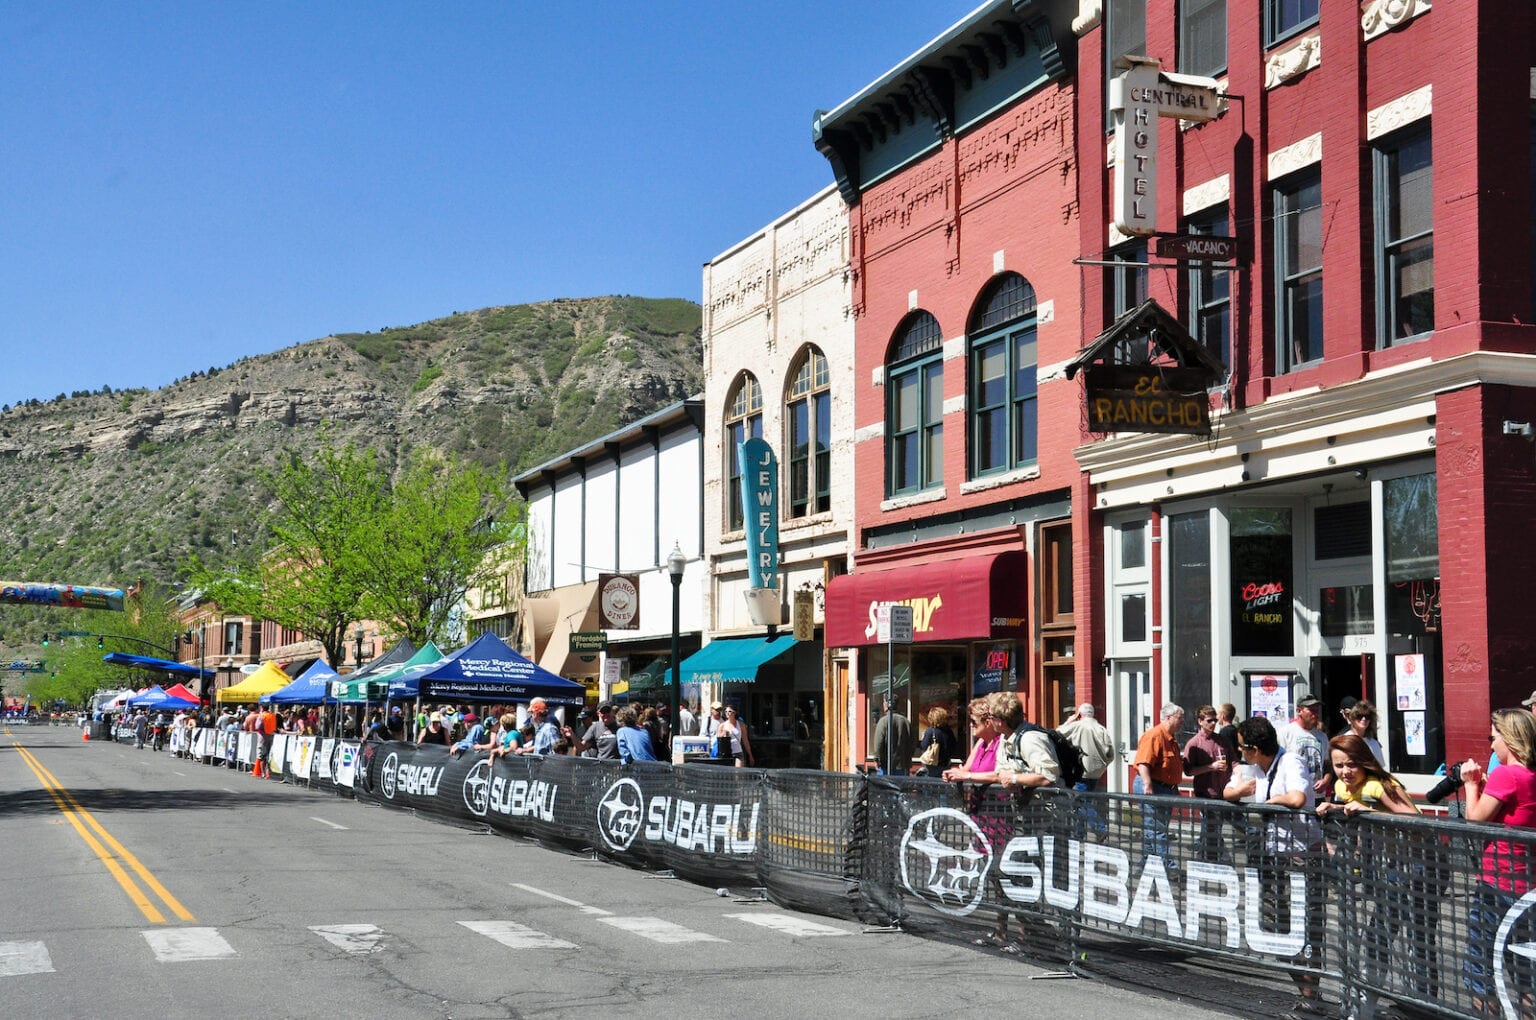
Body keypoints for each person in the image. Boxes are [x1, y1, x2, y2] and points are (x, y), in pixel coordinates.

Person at [1224, 716, 1325, 1016]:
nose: (1239, 751)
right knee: (1272, 929)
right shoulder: (1255, 768)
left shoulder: (1291, 762)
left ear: (1255, 748)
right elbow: (1228, 792)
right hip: (1273, 857)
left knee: (1306, 929)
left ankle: (1312, 1000)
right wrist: (1243, 792)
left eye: (1242, 747)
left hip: (1302, 855)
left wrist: (1265, 804)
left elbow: (1297, 798)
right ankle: (1310, 993)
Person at [1457, 708, 1536, 1014]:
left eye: (1494, 738)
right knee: (1523, 968)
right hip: (1526, 885)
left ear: (1510, 738)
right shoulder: (1528, 775)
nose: (1491, 746)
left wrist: (1471, 785)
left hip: (1498, 882)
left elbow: (1475, 821)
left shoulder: (1508, 774)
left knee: (1479, 966)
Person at [1133, 703, 1187, 866]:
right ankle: (1169, 867)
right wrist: (1148, 785)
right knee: (1157, 830)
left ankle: (1146, 862)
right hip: (1153, 787)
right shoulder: (1155, 736)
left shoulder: (1171, 739)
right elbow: (1143, 763)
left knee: (1155, 829)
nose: (1183, 721)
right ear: (1168, 718)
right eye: (1180, 718)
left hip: (1166, 788)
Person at [1183, 705, 1232, 862]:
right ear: (1200, 721)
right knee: (1211, 826)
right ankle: (1209, 859)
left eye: (1215, 720)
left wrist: (1238, 774)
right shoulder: (1194, 743)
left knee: (1213, 827)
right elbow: (1189, 771)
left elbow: (1235, 761)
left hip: (1224, 790)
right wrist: (1210, 767)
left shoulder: (1222, 740)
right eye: (1209, 720)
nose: (1213, 723)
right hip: (1206, 791)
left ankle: (1208, 857)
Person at [1279, 695, 1329, 795]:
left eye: (1316, 710)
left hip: (1317, 795)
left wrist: (1326, 780)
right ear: (1299, 711)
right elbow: (1277, 764)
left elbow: (1327, 764)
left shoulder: (1322, 736)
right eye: (1311, 710)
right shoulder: (1285, 732)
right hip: (1294, 794)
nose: (1315, 713)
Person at [871, 697, 914, 776]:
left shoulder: (883, 721)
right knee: (901, 787)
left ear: (886, 705)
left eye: (884, 703)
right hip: (902, 764)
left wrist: (876, 759)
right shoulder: (905, 721)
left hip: (886, 765)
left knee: (884, 787)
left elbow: (879, 743)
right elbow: (912, 743)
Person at [913, 706, 956, 778]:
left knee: (930, 786)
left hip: (931, 765)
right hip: (945, 764)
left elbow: (924, 746)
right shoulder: (949, 731)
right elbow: (953, 746)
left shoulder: (930, 731)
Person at [1339, 700, 1384, 765]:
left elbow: (1379, 768)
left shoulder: (1374, 744)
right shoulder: (1343, 740)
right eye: (1359, 716)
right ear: (1352, 718)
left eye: (1367, 716)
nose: (1364, 719)